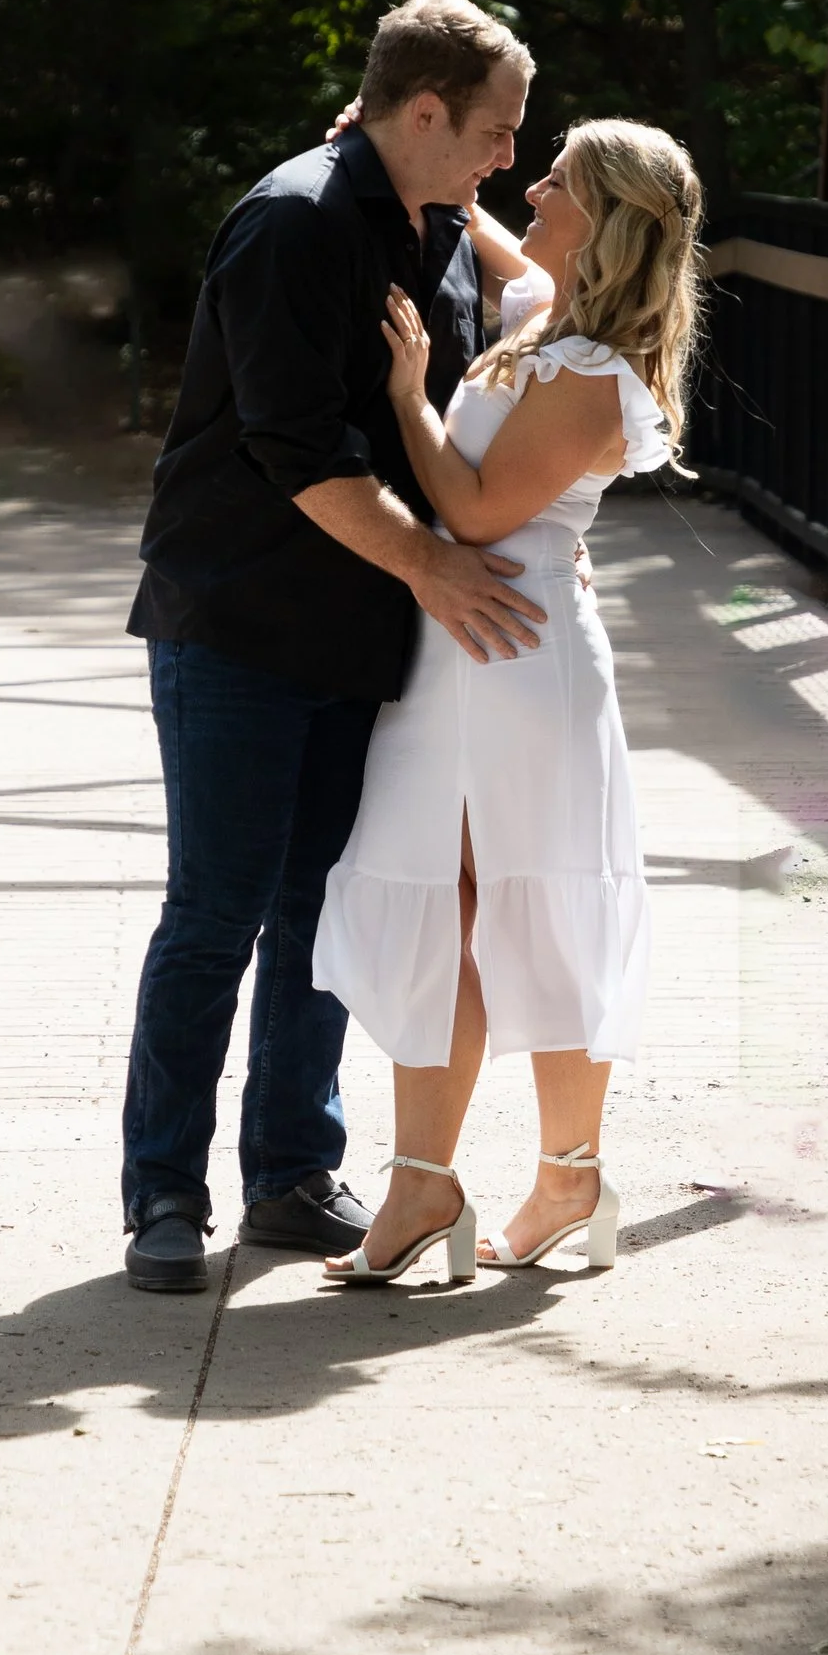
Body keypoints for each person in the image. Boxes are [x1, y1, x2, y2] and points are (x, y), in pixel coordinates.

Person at [118, 0, 549, 1294]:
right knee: (219, 908)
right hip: (240, 621)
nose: (509, 160)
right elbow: (294, 448)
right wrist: (434, 564)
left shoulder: (433, 226)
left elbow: (550, 308)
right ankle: (165, 1192)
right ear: (424, 112)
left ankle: (293, 1171)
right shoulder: (294, 223)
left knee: (321, 910)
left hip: (360, 635)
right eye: (493, 131)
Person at [312, 118, 704, 1282]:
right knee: (443, 899)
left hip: (522, 650)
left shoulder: (591, 371)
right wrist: (404, 157)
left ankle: (568, 1178)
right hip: (457, 645)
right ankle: (425, 1187)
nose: (531, 187)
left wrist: (408, 395)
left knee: (534, 901)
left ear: (607, 220)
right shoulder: (551, 313)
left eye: (557, 180)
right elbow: (507, 251)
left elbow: (476, 514)